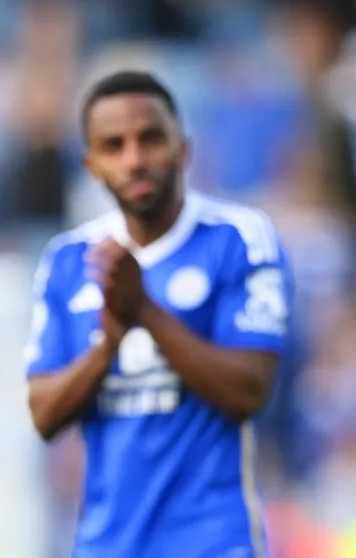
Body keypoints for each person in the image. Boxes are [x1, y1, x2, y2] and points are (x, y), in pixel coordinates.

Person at [24, 70, 294, 557]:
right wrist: (108, 344)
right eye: (114, 145)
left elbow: (249, 391)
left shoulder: (239, 237)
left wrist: (145, 309)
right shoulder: (68, 259)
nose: (134, 159)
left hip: (216, 542)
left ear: (184, 148)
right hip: (106, 544)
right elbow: (43, 413)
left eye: (150, 139)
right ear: (91, 164)